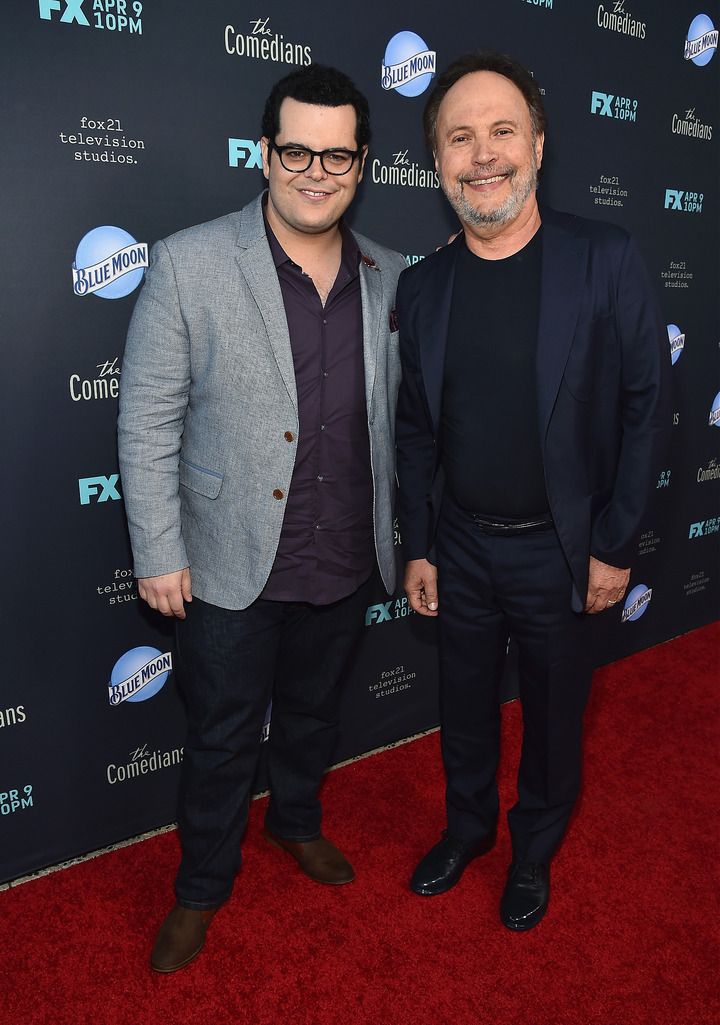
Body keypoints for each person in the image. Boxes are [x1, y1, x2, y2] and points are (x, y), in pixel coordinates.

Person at [118, 64, 406, 972]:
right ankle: (201, 885)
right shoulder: (190, 261)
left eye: (337, 153)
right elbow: (146, 419)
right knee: (221, 736)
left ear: (361, 163)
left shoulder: (393, 277)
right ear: (265, 152)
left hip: (346, 553)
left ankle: (296, 822)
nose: (315, 170)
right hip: (229, 560)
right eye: (296, 149)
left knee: (316, 716)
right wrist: (158, 549)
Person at [395, 51, 670, 931]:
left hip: (561, 545)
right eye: (460, 138)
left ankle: (534, 847)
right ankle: (469, 827)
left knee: (554, 718)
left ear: (540, 145)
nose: (484, 155)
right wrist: (419, 542)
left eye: (502, 131)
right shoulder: (423, 283)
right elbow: (413, 430)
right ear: (437, 163)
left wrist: (614, 544)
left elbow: (646, 407)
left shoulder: (605, 258)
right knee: (462, 706)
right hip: (462, 543)